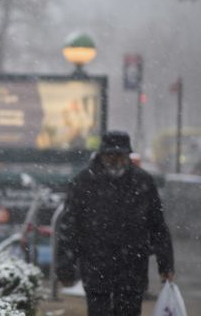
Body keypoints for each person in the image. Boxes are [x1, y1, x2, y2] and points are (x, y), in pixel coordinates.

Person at [56, 130, 174, 316]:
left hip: (132, 268)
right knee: (98, 311)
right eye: (110, 154)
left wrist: (165, 264)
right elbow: (69, 226)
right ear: (101, 155)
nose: (115, 159)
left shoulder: (142, 182)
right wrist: (65, 267)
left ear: (128, 156)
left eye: (120, 155)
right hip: (96, 266)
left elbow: (157, 225)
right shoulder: (84, 182)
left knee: (129, 311)